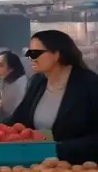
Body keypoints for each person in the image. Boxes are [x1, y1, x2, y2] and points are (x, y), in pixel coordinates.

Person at [7, 30, 98, 163]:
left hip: (80, 169)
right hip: (40, 165)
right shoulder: (37, 82)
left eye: (36, 52)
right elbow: (19, 119)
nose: (30, 57)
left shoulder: (89, 83)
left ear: (56, 55)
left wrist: (58, 149)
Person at [0, 50, 28, 121]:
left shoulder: (22, 83)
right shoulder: (2, 81)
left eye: (1, 65)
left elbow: (21, 112)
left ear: (11, 68)